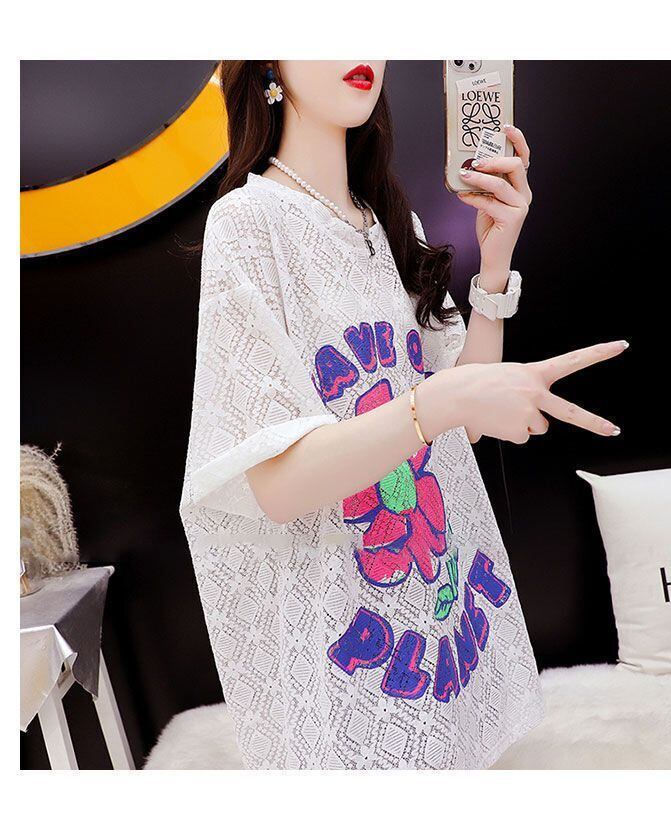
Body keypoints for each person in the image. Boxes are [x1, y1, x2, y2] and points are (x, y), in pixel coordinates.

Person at [179, 60, 626, 770]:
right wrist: (440, 401)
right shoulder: (248, 222)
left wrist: (495, 263)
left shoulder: (389, 222)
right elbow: (276, 484)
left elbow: (462, 421)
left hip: (436, 628)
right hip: (351, 651)